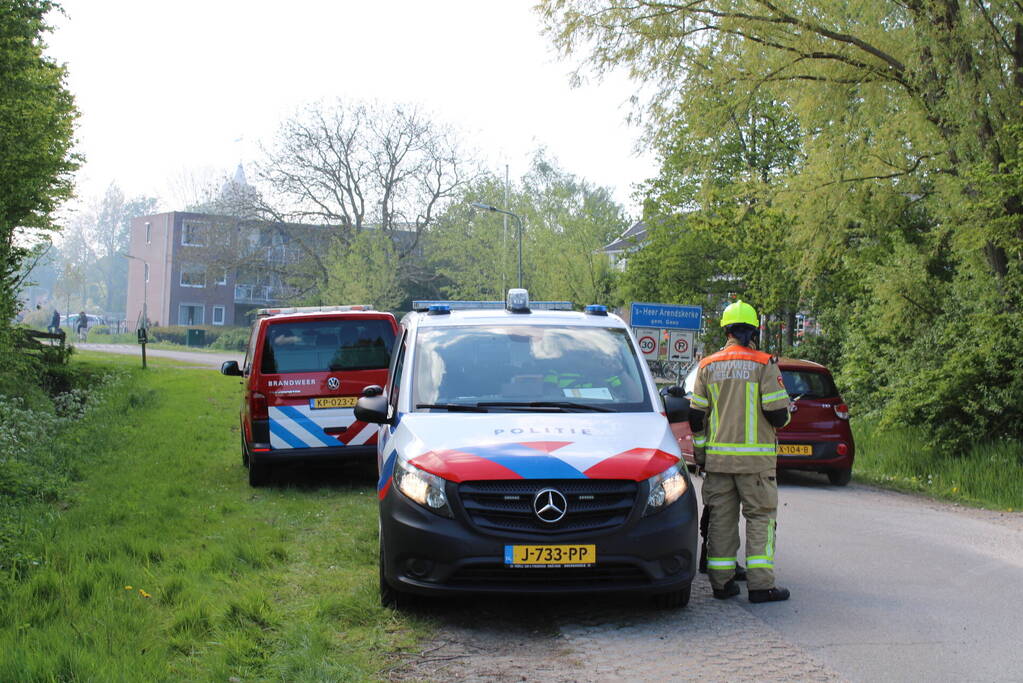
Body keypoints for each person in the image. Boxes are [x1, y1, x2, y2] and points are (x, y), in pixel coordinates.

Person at [688, 300, 791, 603]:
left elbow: (696, 418)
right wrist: (787, 414)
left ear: (727, 331)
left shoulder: (707, 366)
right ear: (753, 331)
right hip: (756, 464)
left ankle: (722, 584)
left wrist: (701, 456)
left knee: (721, 521)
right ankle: (761, 586)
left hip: (718, 463)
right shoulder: (764, 363)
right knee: (760, 519)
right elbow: (777, 414)